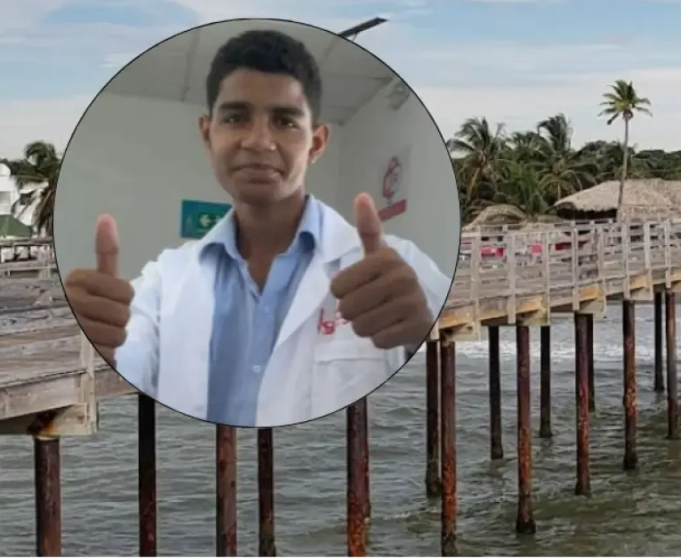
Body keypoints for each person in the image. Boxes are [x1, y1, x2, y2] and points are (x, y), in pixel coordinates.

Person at [63, 29, 452, 427]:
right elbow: (126, 363)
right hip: (198, 484)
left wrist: (423, 336)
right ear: (207, 134)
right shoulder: (163, 282)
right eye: (235, 118)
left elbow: (454, 387)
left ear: (316, 144)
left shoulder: (400, 271)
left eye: (284, 121)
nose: (259, 141)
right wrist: (89, 347)